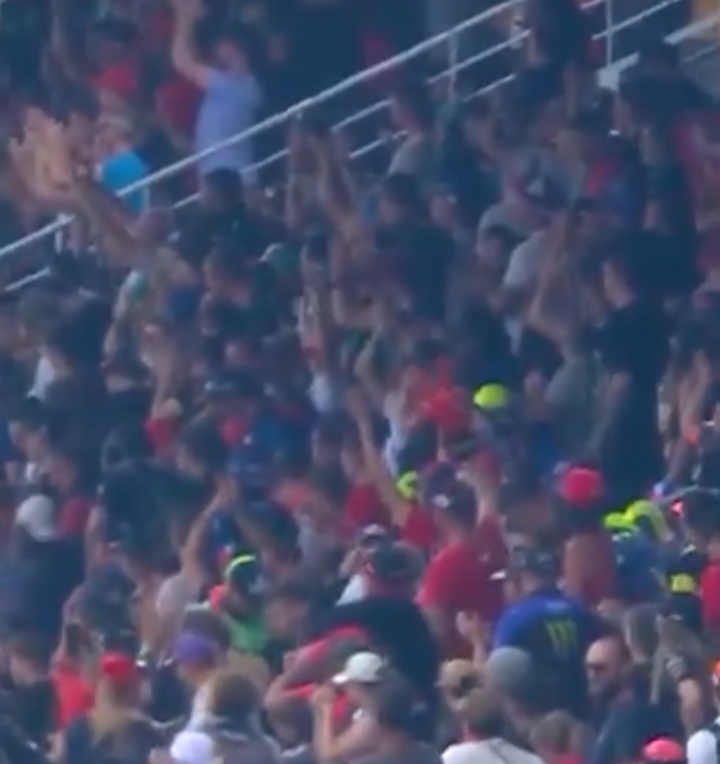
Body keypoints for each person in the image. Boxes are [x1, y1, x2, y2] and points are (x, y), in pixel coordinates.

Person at [492, 546, 603, 717]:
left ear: (521, 579)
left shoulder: (514, 619)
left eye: (507, 581)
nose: (504, 590)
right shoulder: (579, 609)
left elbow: (498, 675)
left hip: (537, 715)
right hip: (584, 710)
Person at [171, 0, 261, 181]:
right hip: (222, 174)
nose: (217, 48)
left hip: (231, 175)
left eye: (223, 44)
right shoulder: (240, 84)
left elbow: (182, 61)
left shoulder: (232, 85)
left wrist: (184, 18)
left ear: (236, 48)